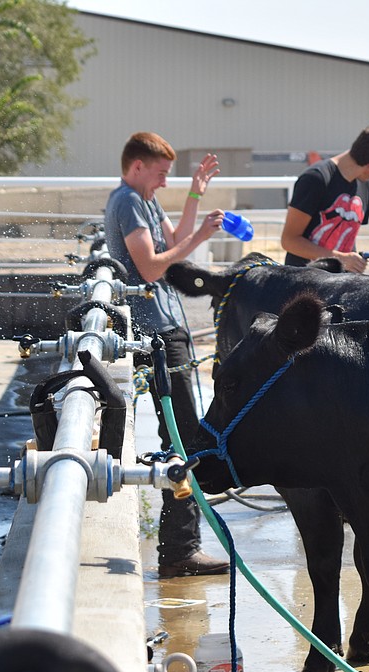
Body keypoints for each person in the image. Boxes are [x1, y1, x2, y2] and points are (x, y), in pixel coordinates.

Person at [104, 131, 229, 577]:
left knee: (185, 432)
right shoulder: (128, 202)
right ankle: (179, 550)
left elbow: (172, 237)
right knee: (182, 437)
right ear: (137, 166)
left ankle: (181, 546)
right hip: (155, 332)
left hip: (167, 325)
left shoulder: (143, 199)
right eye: (160, 174)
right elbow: (154, 265)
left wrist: (195, 194)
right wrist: (199, 239)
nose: (162, 183)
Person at [280, 124, 369, 272]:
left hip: (340, 285)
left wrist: (354, 261)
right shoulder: (316, 179)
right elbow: (289, 241)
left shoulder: (366, 187)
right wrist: (340, 259)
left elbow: (348, 238)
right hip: (304, 285)